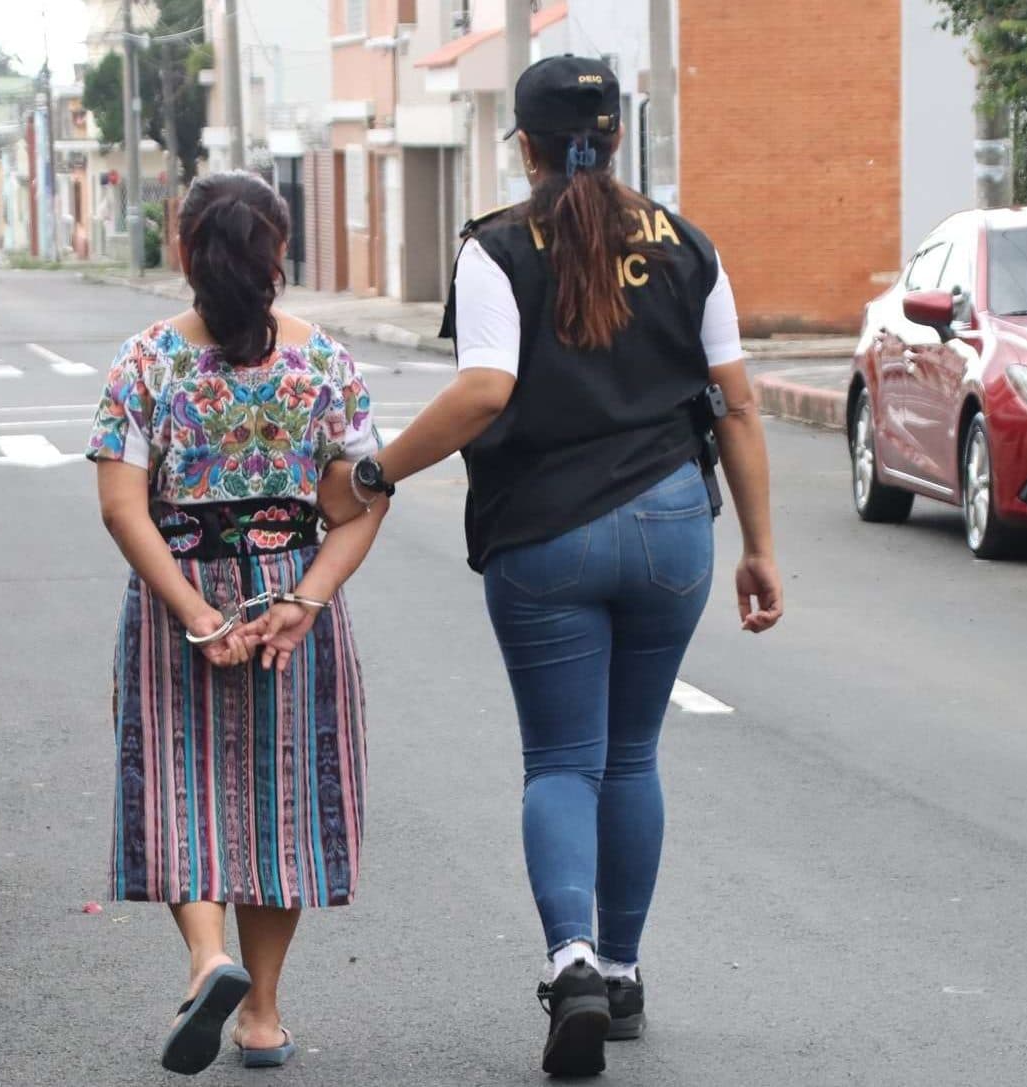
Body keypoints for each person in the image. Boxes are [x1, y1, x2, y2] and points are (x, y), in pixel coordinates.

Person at [320, 55, 783, 1077]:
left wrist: (373, 471)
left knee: (561, 760)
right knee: (633, 755)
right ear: (617, 136)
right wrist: (757, 545)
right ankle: (620, 971)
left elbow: (486, 391)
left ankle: (569, 958)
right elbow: (737, 403)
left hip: (546, 536)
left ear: (523, 144)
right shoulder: (687, 243)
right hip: (672, 525)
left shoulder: (495, 249)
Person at [90, 172, 387, 1076]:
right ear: (279, 254)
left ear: (184, 250)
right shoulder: (324, 363)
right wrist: (301, 602)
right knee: (282, 802)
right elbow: (364, 502)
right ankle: (260, 1013)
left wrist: (193, 610)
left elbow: (120, 507)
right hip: (290, 597)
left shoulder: (144, 360)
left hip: (181, 592)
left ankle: (203, 959)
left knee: (180, 783)